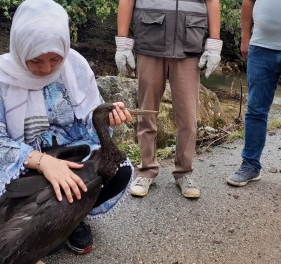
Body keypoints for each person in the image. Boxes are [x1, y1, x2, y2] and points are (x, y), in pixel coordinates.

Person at [0, 0, 133, 255]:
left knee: (117, 169)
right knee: (12, 219)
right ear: (20, 48)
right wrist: (43, 162)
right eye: (35, 60)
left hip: (67, 151)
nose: (46, 69)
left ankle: (71, 220)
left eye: (55, 58)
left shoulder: (75, 66)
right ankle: (38, 228)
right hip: (21, 160)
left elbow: (87, 123)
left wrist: (104, 119)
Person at [115, 0, 222, 198]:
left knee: (188, 117)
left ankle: (184, 172)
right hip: (150, 41)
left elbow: (212, 1)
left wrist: (214, 45)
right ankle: (147, 170)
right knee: (147, 113)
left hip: (189, 45)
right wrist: (123, 44)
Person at [227, 0, 281, 186]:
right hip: (261, 47)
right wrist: (245, 37)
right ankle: (250, 165)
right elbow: (248, 2)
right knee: (256, 110)